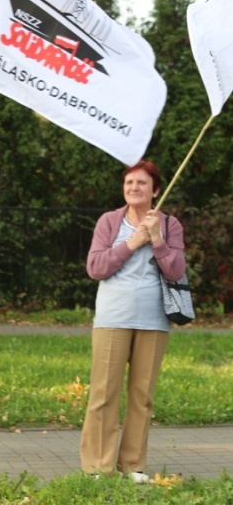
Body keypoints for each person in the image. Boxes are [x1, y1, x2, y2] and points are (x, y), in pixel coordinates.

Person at [80, 160, 186, 484]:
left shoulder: (169, 225)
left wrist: (156, 239)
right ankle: (98, 466)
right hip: (113, 317)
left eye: (141, 183)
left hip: (154, 320)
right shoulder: (109, 222)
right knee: (103, 393)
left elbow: (177, 270)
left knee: (142, 396)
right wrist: (131, 244)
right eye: (129, 183)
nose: (133, 189)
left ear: (155, 189)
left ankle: (133, 466)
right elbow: (96, 267)